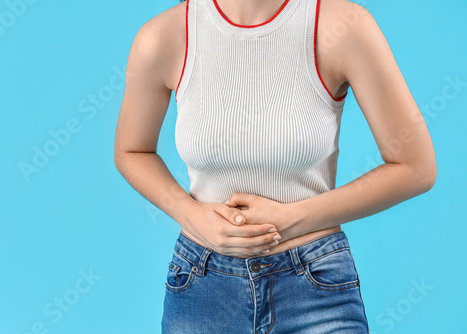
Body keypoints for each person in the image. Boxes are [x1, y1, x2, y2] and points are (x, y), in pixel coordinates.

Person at [114, 0, 436, 332]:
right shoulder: (164, 36)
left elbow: (415, 166)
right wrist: (190, 214)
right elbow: (132, 150)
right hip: (203, 285)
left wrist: (293, 218)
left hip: (314, 284)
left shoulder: (342, 26)